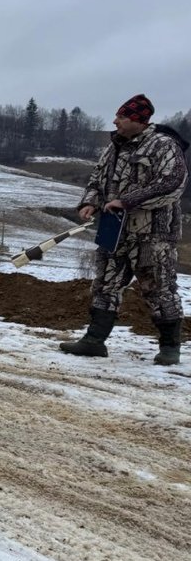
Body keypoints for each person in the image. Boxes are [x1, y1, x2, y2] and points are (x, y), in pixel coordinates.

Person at [59, 94, 187, 365]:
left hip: (153, 235)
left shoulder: (163, 145)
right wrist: (90, 202)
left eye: (122, 117)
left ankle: (169, 348)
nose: (115, 121)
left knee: (159, 288)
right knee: (105, 284)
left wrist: (127, 201)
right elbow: (97, 178)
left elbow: (172, 184)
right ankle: (94, 341)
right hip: (114, 231)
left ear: (139, 120)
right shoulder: (113, 147)